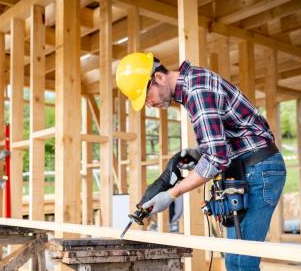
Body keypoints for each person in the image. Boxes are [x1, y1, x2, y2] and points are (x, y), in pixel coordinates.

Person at [116, 52, 286, 270]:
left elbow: (216, 158)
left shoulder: (196, 91)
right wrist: (198, 153)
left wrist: (171, 194)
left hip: (258, 170)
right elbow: (220, 143)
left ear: (158, 78)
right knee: (235, 261)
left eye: (146, 95)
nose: (148, 104)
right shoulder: (192, 87)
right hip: (247, 168)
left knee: (242, 263)